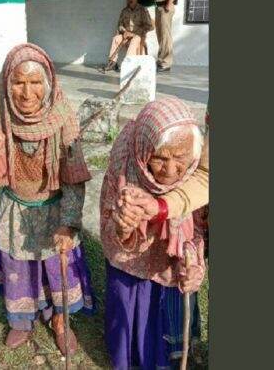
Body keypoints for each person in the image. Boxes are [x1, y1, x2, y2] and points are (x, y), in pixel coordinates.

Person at [0, 43, 95, 355]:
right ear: (5, 85)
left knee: (57, 265)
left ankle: (61, 321)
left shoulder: (63, 118)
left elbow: (74, 180)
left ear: (48, 84)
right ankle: (21, 320)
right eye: (18, 82)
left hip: (54, 211)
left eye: (35, 82)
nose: (26, 93)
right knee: (17, 267)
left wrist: (69, 224)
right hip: (15, 209)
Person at [100, 97, 209, 370]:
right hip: (130, 265)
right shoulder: (126, 165)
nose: (170, 171)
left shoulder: (196, 172)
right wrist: (124, 227)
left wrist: (193, 264)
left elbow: (196, 228)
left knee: (167, 317)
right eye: (160, 158)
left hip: (170, 269)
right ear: (145, 151)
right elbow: (113, 229)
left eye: (180, 159)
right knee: (130, 303)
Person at [99, 0, 154, 73]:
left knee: (134, 40)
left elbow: (150, 26)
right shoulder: (124, 11)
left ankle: (128, 64)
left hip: (138, 36)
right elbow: (119, 25)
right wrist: (124, 31)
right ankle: (112, 63)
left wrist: (134, 33)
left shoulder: (142, 10)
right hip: (126, 35)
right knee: (116, 39)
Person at [155, 0, 180, 72]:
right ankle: (161, 60)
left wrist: (168, 5)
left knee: (165, 35)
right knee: (160, 35)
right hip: (160, 7)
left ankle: (166, 63)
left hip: (165, 6)